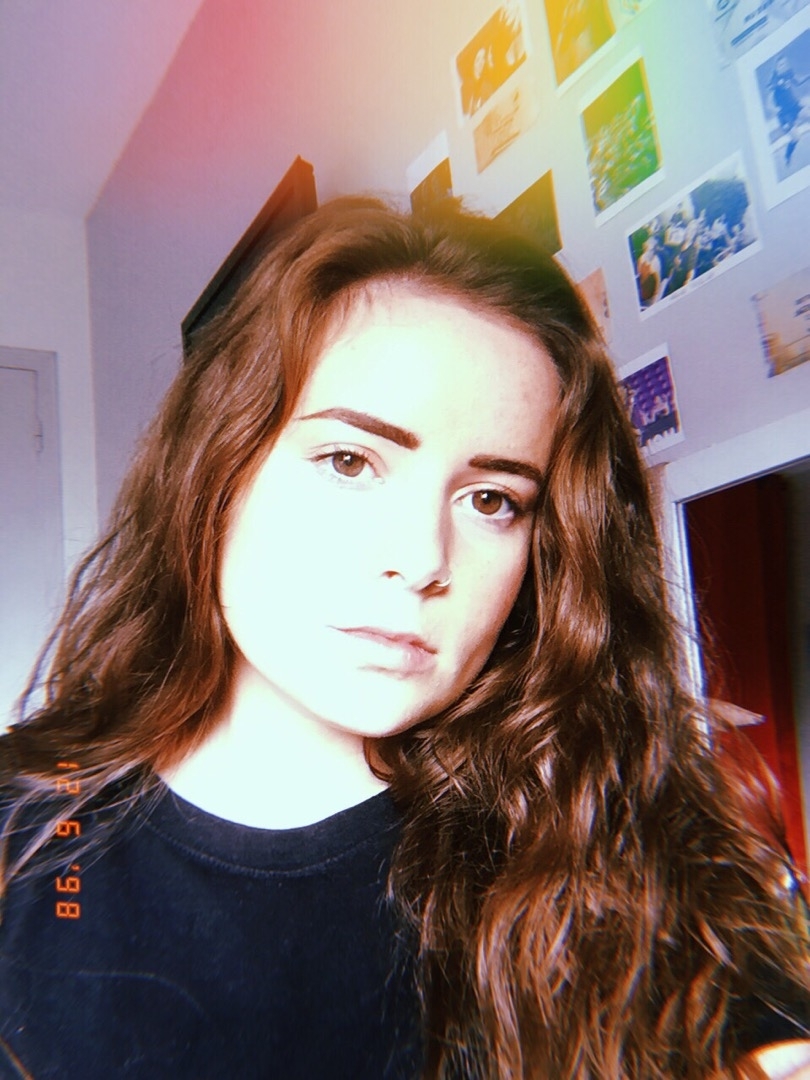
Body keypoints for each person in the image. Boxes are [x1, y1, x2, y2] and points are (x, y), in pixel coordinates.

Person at [0, 199, 808, 1079]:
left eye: (492, 500)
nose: (424, 560)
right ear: (215, 471)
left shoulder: (599, 847)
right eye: (350, 461)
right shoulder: (26, 833)